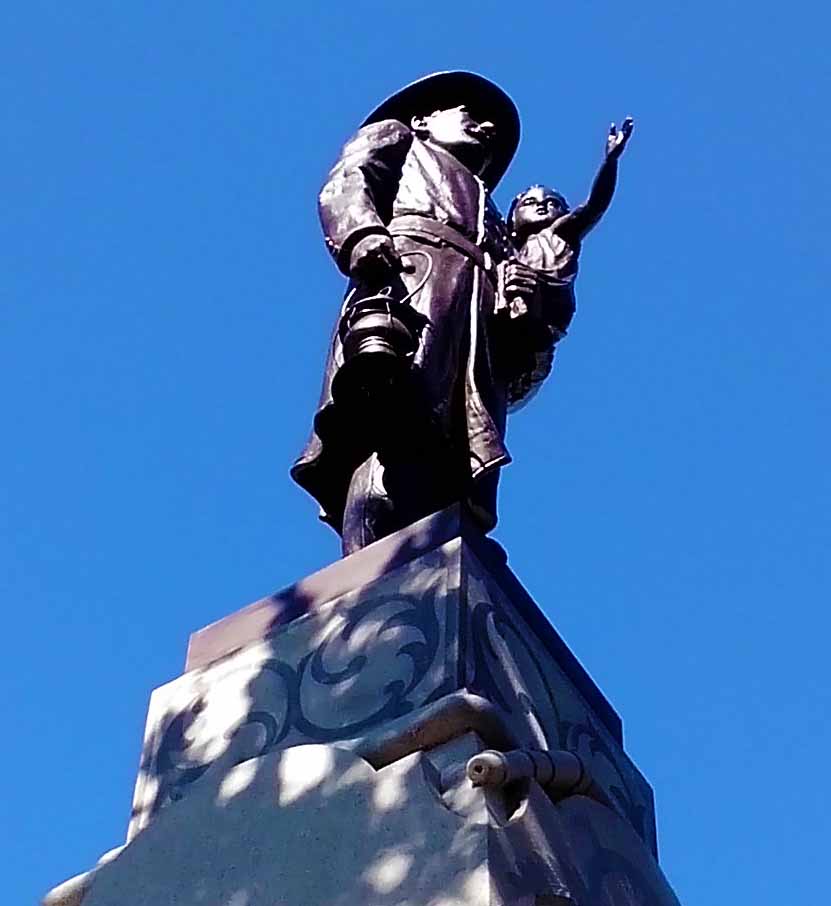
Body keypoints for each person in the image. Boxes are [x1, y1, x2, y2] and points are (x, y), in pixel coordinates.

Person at [291, 72, 573, 555]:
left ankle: (453, 541)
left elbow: (529, 340)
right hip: (412, 284)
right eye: (470, 113)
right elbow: (348, 181)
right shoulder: (399, 138)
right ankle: (373, 557)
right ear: (423, 119)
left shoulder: (493, 218)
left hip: (476, 326)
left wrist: (527, 315)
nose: (486, 127)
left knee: (460, 448)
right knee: (395, 424)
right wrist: (361, 234)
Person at [499, 117, 635, 406]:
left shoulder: (561, 232)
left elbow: (595, 205)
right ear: (511, 221)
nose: (542, 205)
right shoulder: (508, 250)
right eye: (530, 203)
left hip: (548, 309)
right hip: (516, 302)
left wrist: (610, 161)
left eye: (553, 203)